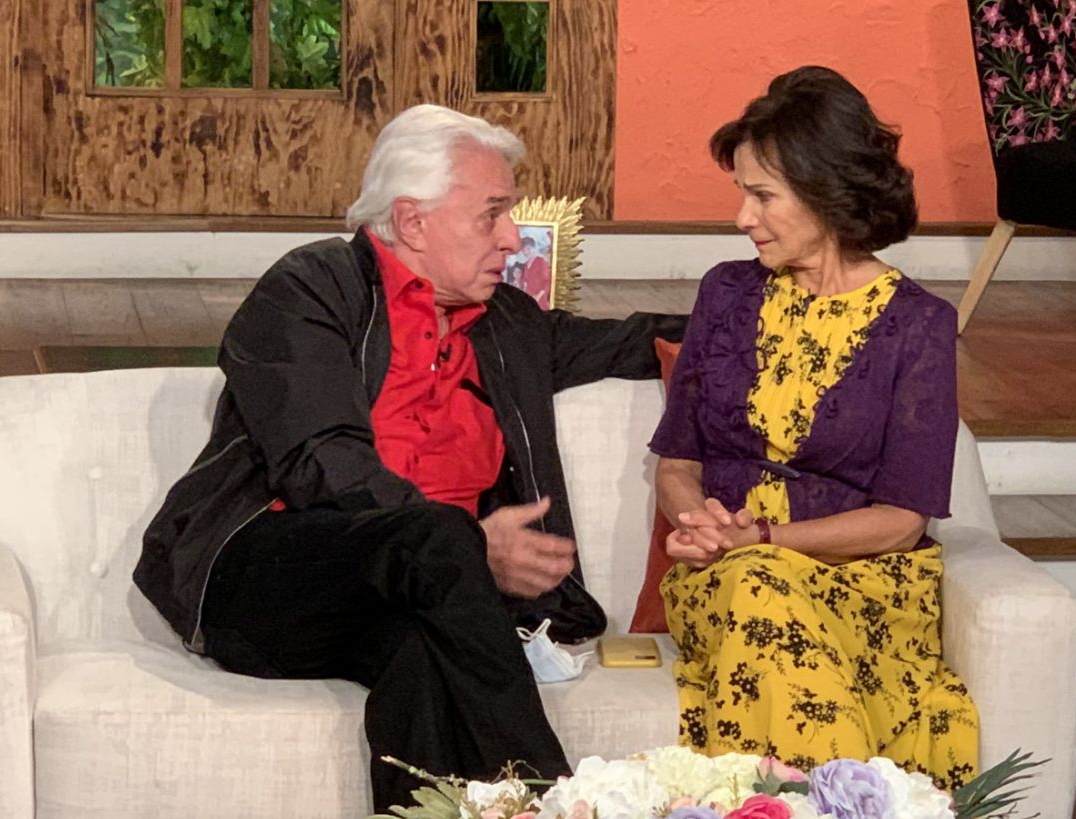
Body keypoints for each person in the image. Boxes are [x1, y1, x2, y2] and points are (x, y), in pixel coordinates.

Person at [133, 104, 685, 812]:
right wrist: (468, 547)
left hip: (415, 595)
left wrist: (784, 304)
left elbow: (639, 339)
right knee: (436, 535)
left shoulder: (506, 326)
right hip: (268, 574)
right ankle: (555, 796)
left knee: (418, 660)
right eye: (492, 214)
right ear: (413, 221)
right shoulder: (310, 289)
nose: (513, 237)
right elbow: (321, 462)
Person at [650, 66, 978, 788]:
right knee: (754, 586)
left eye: (763, 196)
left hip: (863, 587)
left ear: (826, 193)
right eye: (743, 193)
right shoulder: (725, 293)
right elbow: (676, 464)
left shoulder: (919, 325)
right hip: (727, 580)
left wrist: (765, 540)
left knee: (762, 581)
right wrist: (703, 525)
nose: (743, 217)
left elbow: (901, 521)